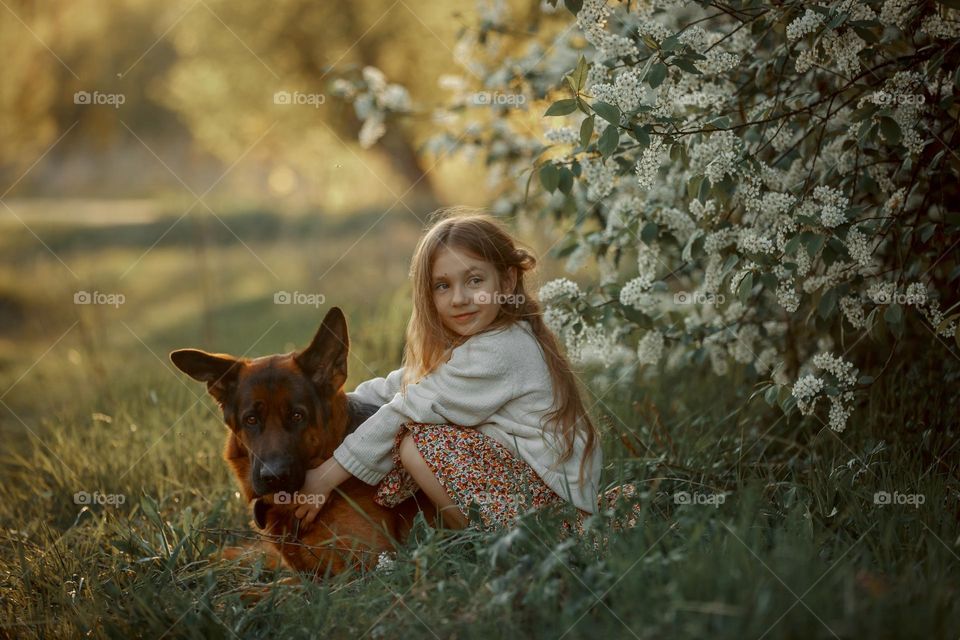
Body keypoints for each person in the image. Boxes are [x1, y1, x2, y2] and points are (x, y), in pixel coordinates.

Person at [292, 208, 603, 533]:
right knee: (417, 432)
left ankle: (496, 546)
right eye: (443, 285)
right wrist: (336, 402)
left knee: (417, 445)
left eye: (474, 280)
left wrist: (325, 477)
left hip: (553, 512)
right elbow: (404, 385)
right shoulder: (486, 339)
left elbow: (409, 407)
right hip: (535, 490)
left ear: (507, 280)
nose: (459, 298)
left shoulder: (502, 349)